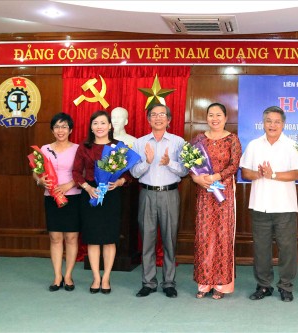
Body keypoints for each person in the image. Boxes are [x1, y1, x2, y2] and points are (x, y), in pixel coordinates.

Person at [240, 106, 298, 302]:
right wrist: (258, 174)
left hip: (285, 206)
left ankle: (285, 286)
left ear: (283, 124)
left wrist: (272, 174)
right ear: (263, 123)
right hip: (260, 205)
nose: (272, 125)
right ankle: (263, 285)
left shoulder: (292, 145)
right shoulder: (254, 145)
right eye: (269, 121)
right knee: (261, 248)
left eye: (277, 121)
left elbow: (297, 173)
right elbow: (244, 172)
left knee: (287, 249)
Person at [131, 103, 188, 299]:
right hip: (147, 194)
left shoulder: (178, 142)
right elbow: (133, 172)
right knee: (147, 239)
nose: (157, 118)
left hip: (169, 194)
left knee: (170, 239)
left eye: (162, 115)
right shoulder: (139, 143)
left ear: (169, 120)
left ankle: (169, 283)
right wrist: (147, 162)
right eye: (153, 115)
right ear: (148, 119)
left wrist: (168, 162)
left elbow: (185, 170)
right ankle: (148, 282)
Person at [72, 110, 131, 295]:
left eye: (103, 123)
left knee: (109, 238)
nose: (99, 127)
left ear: (110, 126)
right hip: (91, 194)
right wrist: (88, 188)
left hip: (112, 194)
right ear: (91, 126)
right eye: (96, 123)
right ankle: (96, 277)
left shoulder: (119, 146)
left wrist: (121, 181)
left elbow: (128, 173)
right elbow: (75, 172)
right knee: (93, 238)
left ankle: (106, 278)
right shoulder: (84, 147)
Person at [190, 102, 242, 300]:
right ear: (206, 118)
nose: (215, 118)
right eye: (211, 115)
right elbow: (191, 164)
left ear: (225, 118)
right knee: (204, 235)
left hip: (223, 193)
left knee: (222, 235)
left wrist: (216, 176)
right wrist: (197, 178)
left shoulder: (232, 140)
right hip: (204, 193)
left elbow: (234, 165)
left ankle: (221, 284)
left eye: (218, 115)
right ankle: (204, 283)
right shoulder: (199, 140)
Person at [33, 112, 81, 292]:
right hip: (51, 196)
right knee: (55, 237)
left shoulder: (78, 148)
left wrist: (69, 185)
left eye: (64, 127)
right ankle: (57, 276)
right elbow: (36, 171)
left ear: (70, 130)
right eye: (57, 127)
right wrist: (40, 180)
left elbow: (83, 173)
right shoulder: (44, 149)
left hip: (73, 196)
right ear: (52, 130)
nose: (60, 130)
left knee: (71, 237)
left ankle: (68, 275)